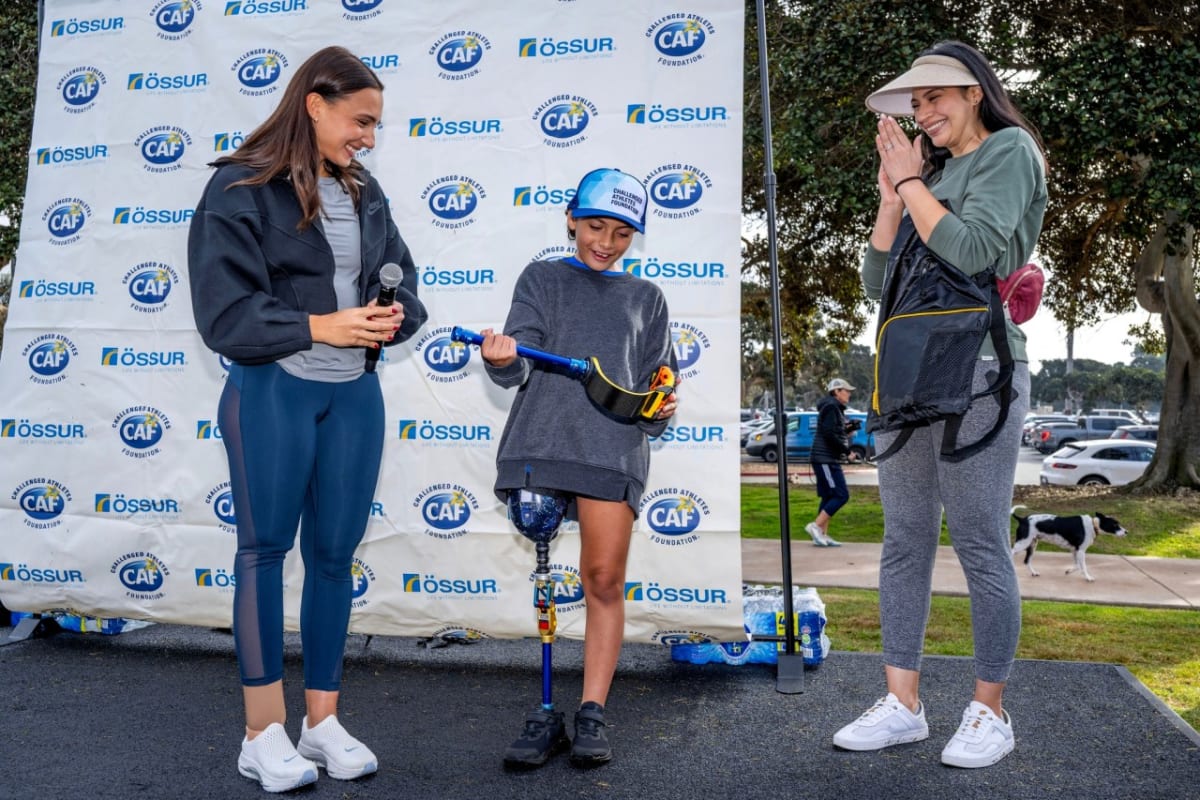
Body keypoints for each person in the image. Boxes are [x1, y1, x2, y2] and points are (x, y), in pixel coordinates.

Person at [187, 45, 427, 792]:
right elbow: (224, 313)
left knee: (332, 558)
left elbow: (407, 288)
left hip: (353, 395)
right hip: (274, 391)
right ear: (315, 104)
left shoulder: (366, 192)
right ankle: (262, 732)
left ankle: (321, 723)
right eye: (361, 120)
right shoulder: (238, 187)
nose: (370, 137)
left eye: (377, 124)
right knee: (263, 552)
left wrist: (393, 316)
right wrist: (322, 325)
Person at [832, 41, 1046, 768]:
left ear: (974, 92)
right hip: (910, 373)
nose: (924, 111)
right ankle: (904, 704)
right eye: (916, 102)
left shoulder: (1009, 150)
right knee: (905, 541)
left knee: (980, 540)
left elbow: (977, 252)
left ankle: (990, 712)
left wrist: (916, 183)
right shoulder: (936, 174)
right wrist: (894, 197)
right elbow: (877, 281)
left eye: (935, 96)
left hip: (981, 369)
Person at [477, 168, 678, 769]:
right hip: (541, 441)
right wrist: (500, 359)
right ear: (571, 219)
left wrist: (660, 408)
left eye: (621, 232)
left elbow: (655, 394)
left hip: (611, 451)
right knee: (543, 578)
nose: (606, 242)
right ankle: (544, 713)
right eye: (595, 226)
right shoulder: (541, 277)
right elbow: (517, 368)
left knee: (602, 580)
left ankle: (591, 709)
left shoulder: (648, 298)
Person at [805, 378, 859, 547]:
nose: (849, 393)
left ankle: (822, 535)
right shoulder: (831, 407)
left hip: (827, 458)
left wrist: (848, 430)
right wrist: (847, 451)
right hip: (825, 459)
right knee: (841, 495)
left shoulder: (834, 408)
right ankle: (815, 526)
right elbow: (829, 434)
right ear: (836, 391)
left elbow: (834, 430)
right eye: (846, 390)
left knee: (828, 496)